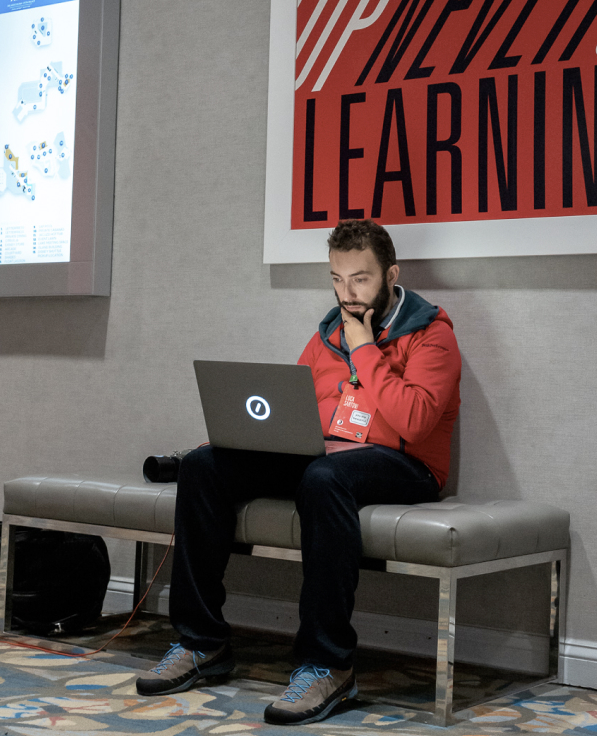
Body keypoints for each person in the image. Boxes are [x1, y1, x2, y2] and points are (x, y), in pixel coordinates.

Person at [136, 219, 461, 725]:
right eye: (337, 278)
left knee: (323, 480)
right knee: (205, 467)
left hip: (404, 465)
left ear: (391, 275)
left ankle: (327, 664)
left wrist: (365, 349)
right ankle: (201, 642)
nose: (347, 293)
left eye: (360, 279)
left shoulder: (431, 333)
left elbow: (415, 422)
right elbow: (296, 410)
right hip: (326, 456)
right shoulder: (327, 333)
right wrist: (255, 441)